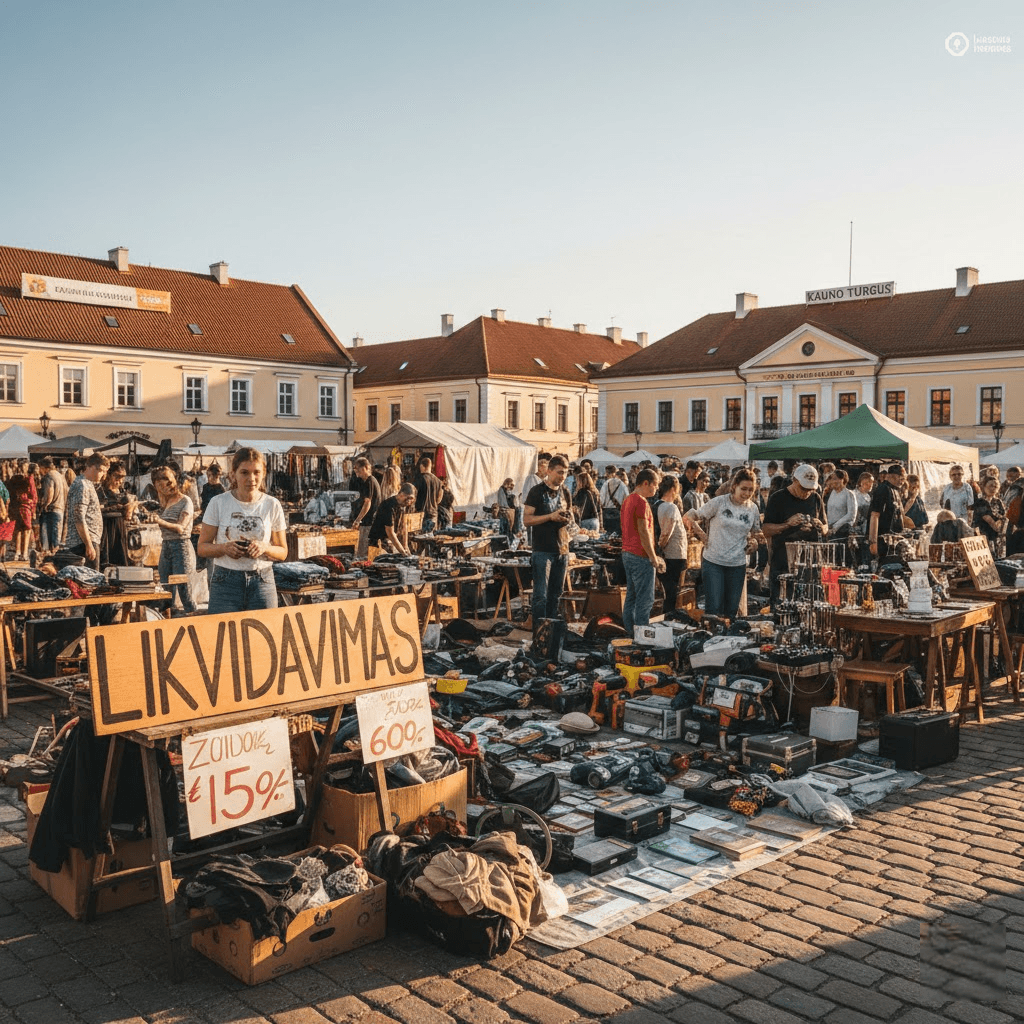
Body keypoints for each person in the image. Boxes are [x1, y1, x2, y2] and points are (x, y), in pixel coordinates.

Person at [197, 447, 288, 613]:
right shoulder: (218, 503)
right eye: (244, 472)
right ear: (233, 474)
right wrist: (224, 548)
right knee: (223, 635)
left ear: (263, 473)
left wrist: (264, 547)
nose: (251, 478)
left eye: (256, 472)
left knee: (264, 635)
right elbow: (202, 547)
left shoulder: (272, 504)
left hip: (262, 580)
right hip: (225, 581)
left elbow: (282, 552)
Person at [685, 468, 761, 620]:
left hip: (737, 564)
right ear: (734, 486)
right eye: (743, 489)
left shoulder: (753, 508)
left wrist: (755, 543)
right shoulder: (719, 502)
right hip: (714, 562)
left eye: (751, 490)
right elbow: (692, 516)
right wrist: (702, 535)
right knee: (713, 611)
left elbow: (757, 533)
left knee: (731, 612)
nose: (747, 493)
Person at [763, 464, 828, 606]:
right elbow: (766, 529)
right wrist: (787, 524)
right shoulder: (778, 498)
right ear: (794, 480)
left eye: (810, 489)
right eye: (803, 488)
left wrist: (820, 526)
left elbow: (825, 526)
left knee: (808, 603)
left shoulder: (816, 497)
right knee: (782, 605)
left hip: (809, 562)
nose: (806, 492)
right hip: (783, 561)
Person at [523, 455, 573, 629]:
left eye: (565, 473)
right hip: (542, 550)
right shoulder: (536, 492)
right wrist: (550, 517)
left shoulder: (565, 491)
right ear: (549, 470)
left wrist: (567, 519)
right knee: (540, 596)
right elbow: (527, 520)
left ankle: (550, 632)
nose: (562, 477)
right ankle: (538, 632)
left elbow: (570, 514)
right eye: (559, 472)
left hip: (562, 549)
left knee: (556, 594)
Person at [620, 468, 664, 633]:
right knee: (645, 600)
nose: (656, 489)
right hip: (640, 555)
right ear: (646, 483)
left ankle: (631, 633)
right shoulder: (641, 501)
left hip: (627, 552)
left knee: (631, 597)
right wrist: (653, 557)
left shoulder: (628, 499)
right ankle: (641, 635)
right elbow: (643, 531)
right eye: (655, 485)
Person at [150, 465, 197, 615]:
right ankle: (166, 622)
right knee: (165, 589)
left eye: (170, 480)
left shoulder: (185, 501)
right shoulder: (167, 503)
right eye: (163, 482)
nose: (169, 484)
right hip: (166, 547)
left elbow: (181, 528)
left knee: (185, 591)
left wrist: (159, 521)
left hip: (181, 547)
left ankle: (194, 620)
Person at [66, 453, 110, 570]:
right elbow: (79, 517)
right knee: (90, 580)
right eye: (100, 470)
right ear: (90, 467)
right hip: (83, 541)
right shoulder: (82, 485)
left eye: (105, 471)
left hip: (87, 539)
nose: (103, 475)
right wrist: (89, 544)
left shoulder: (87, 483)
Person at [653, 475, 687, 614]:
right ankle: (669, 616)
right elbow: (666, 533)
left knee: (667, 589)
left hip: (665, 553)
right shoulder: (671, 507)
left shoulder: (655, 505)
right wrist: (660, 550)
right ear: (674, 489)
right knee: (671, 590)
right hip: (673, 554)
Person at [868, 463, 907, 563]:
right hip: (882, 540)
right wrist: (873, 541)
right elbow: (874, 515)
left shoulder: (896, 490)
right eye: (901, 478)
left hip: (894, 540)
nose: (903, 482)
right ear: (891, 476)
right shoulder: (882, 489)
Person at [369, 482, 416, 555]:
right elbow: (390, 532)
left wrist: (405, 546)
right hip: (378, 542)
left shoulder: (403, 505)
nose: (409, 502)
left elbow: (404, 526)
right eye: (408, 498)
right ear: (401, 495)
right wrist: (402, 551)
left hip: (389, 541)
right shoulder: (388, 506)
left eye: (411, 499)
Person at [351, 456, 383, 558]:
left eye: (359, 470)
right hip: (371, 522)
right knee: (370, 553)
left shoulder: (370, 481)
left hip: (368, 523)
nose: (358, 473)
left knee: (363, 554)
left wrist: (357, 520)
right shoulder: (369, 481)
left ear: (365, 467)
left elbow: (367, 503)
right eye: (356, 471)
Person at [36, 456, 68, 555]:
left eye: (40, 468)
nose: (39, 471)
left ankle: (49, 559)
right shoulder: (60, 476)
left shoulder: (49, 476)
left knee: (48, 540)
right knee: (56, 538)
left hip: (51, 510)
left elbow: (49, 494)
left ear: (44, 467)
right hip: (60, 509)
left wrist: (44, 505)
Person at [7, 459, 37, 561]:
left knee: (18, 530)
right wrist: (33, 510)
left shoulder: (14, 479)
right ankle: (24, 554)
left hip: (16, 507)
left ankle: (18, 552)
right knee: (26, 530)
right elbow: (34, 496)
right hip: (26, 507)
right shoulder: (29, 479)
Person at [973, 476, 1006, 556]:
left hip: (996, 534)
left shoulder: (998, 501)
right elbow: (987, 518)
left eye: (996, 486)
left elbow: (1003, 515)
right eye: (991, 486)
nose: (993, 489)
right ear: (984, 487)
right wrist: (998, 529)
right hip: (984, 533)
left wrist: (1001, 524)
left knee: (998, 556)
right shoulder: (980, 502)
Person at [414, 455, 444, 533]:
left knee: (421, 537)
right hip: (433, 513)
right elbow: (439, 499)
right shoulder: (438, 481)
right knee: (431, 537)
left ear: (422, 466)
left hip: (421, 513)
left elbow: (414, 496)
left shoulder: (420, 479)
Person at [825, 470, 858, 538]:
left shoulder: (849, 494)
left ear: (842, 480)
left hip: (843, 530)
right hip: (830, 530)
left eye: (835, 479)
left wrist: (835, 527)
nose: (833, 481)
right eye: (832, 479)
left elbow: (851, 515)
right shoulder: (831, 494)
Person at [599, 465, 628, 533]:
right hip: (618, 512)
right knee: (617, 536)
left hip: (606, 512)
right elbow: (626, 499)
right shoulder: (623, 485)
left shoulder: (605, 484)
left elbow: (601, 501)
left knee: (607, 535)